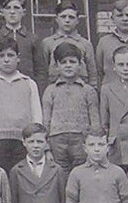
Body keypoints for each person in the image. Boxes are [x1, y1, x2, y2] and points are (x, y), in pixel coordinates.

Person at [0, 35, 42, 175]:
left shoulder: (29, 83)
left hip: (23, 142)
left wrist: (34, 140)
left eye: (10, 55)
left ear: (18, 58)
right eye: (1, 56)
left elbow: (36, 116)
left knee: (22, 179)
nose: (6, 59)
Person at [42, 41, 101, 171]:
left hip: (81, 139)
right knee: (59, 173)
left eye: (72, 62)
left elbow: (95, 120)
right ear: (57, 66)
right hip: (57, 140)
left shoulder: (88, 90)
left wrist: (94, 143)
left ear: (80, 65)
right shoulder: (50, 90)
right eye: (63, 62)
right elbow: (45, 120)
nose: (68, 66)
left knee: (82, 172)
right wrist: (46, 147)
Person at [0, 0, 43, 91]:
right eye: (8, 8)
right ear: (2, 11)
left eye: (16, 8)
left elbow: (41, 71)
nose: (12, 12)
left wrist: (38, 93)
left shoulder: (32, 39)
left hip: (26, 89)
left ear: (24, 12)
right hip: (0, 89)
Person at [39, 0, 99, 86]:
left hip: (80, 87)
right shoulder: (48, 43)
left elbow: (92, 72)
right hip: (55, 87)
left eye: (71, 17)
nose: (67, 20)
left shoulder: (85, 44)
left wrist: (93, 88)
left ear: (77, 20)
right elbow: (43, 70)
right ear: (57, 19)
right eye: (63, 17)